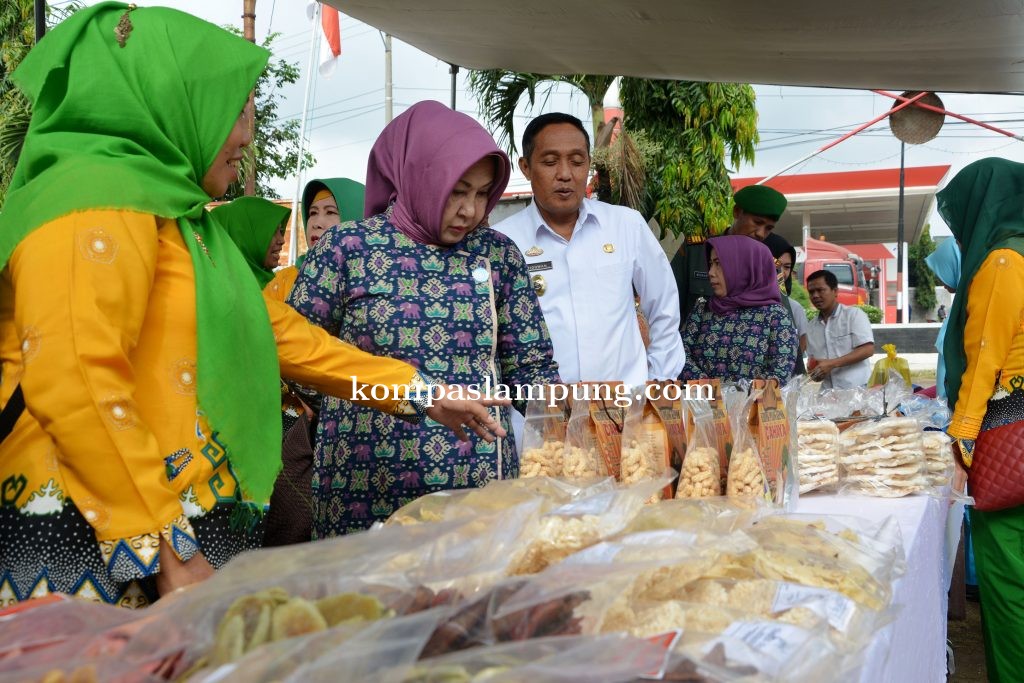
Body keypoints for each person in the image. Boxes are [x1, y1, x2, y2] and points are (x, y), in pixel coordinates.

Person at [0, 5, 503, 608]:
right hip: (94, 544)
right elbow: (77, 378)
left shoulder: (176, 219)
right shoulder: (92, 207)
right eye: (236, 111)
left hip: (162, 537)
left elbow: (284, 336)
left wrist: (419, 390)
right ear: (172, 99)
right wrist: (170, 554)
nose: (247, 134)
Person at [289, 101, 560, 537]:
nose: (471, 210)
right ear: (420, 174)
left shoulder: (497, 254)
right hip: (366, 484)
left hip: (479, 492)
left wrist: (587, 415)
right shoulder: (348, 249)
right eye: (458, 190)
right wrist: (373, 406)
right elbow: (299, 359)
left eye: (481, 193)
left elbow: (530, 369)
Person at [492, 112, 684, 389]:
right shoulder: (503, 241)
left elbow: (664, 307)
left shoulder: (625, 225)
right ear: (525, 167)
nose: (565, 174)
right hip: (540, 415)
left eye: (577, 161)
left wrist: (657, 380)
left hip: (625, 411)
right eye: (549, 162)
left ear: (589, 165)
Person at [940, 158, 1024, 681]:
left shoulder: (1002, 260)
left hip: (1009, 441)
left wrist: (961, 440)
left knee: (1010, 581)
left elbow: (984, 362)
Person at [681, 235, 797, 382]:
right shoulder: (703, 309)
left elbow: (781, 370)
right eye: (710, 264)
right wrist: (707, 388)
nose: (710, 272)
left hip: (753, 403)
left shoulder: (776, 316)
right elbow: (680, 355)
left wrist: (743, 397)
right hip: (702, 402)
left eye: (718, 264)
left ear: (744, 267)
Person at [670, 184, 788, 326]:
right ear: (737, 212)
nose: (761, 233)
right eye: (757, 222)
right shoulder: (695, 251)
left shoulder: (769, 264)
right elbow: (668, 309)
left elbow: (784, 318)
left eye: (768, 228)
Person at [265, 178, 365, 302]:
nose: (316, 224)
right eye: (313, 213)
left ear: (356, 218)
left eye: (330, 212)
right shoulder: (283, 281)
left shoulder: (376, 282)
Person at [805, 270, 874, 388]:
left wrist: (831, 364)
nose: (815, 295)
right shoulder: (811, 327)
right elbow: (814, 361)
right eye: (811, 292)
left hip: (857, 391)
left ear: (835, 291)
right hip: (828, 394)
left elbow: (868, 349)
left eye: (820, 290)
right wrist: (815, 371)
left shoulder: (854, 315)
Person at [211, 196, 289, 288]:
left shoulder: (279, 287)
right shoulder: (221, 292)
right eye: (272, 232)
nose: (282, 240)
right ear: (244, 236)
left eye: (280, 231)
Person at [764, 232, 808, 376]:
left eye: (787, 267)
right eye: (776, 264)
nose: (780, 272)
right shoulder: (737, 304)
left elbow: (801, 341)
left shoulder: (793, 307)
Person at [924, 239, 961, 403]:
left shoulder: (968, 309)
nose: (940, 282)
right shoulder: (958, 306)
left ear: (955, 265)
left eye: (941, 271)